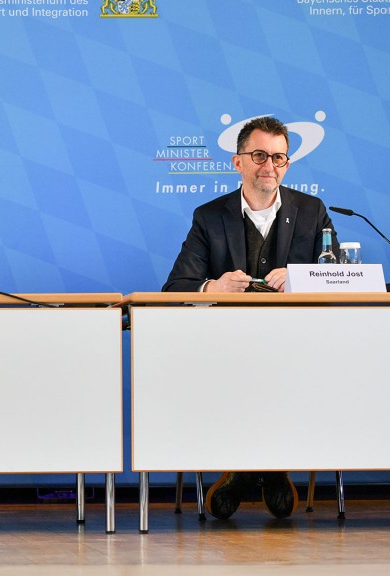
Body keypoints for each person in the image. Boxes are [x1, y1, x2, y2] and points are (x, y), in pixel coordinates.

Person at [163, 116, 337, 519]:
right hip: (226, 350)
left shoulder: (312, 212)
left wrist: (301, 278)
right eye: (259, 155)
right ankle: (270, 470)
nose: (269, 166)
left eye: (279, 157)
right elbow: (175, 288)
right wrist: (213, 288)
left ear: (287, 163)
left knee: (287, 373)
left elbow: (339, 278)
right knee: (242, 375)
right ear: (237, 162)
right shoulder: (210, 217)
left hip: (296, 349)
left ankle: (245, 473)